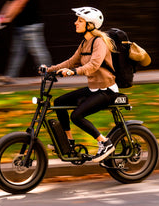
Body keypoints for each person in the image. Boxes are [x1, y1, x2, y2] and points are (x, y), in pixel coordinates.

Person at [45, 7, 117, 162]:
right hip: (93, 89)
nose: (75, 22)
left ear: (90, 25)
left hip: (106, 91)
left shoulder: (99, 43)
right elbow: (71, 61)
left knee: (76, 115)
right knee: (59, 102)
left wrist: (74, 72)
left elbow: (94, 65)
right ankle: (68, 142)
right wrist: (49, 69)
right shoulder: (85, 42)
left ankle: (105, 142)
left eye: (80, 20)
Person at [0, 0, 51, 78]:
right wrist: (1, 16)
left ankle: (47, 76)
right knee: (17, 54)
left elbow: (19, 3)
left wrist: (7, 17)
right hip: (21, 26)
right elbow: (10, 2)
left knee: (38, 53)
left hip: (31, 26)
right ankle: (10, 77)